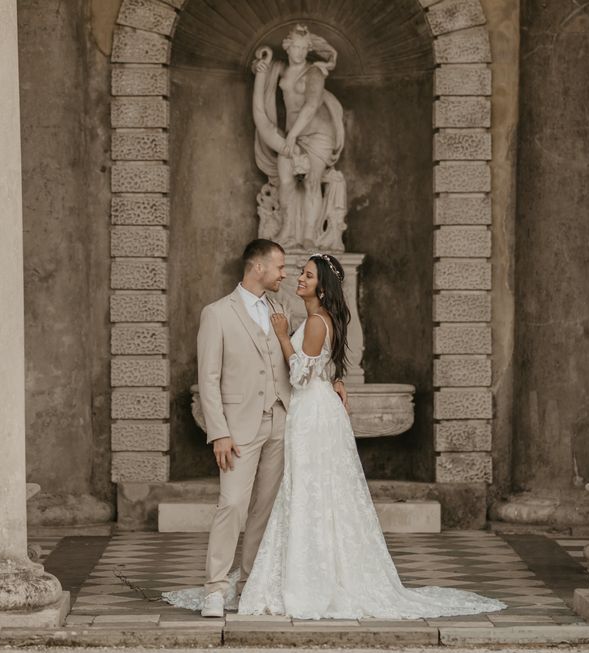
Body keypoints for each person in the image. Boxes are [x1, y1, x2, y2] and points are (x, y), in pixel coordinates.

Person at [236, 253, 507, 619]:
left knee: (308, 490)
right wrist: (335, 378)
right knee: (313, 491)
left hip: (312, 412)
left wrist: (284, 337)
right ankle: (311, 573)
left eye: (308, 275)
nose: (299, 278)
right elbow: (322, 367)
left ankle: (310, 581)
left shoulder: (316, 322)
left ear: (322, 286)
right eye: (300, 273)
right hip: (316, 408)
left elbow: (300, 374)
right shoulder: (321, 319)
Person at [170, 239, 347, 618]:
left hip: (284, 422)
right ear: (258, 268)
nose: (286, 274)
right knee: (231, 504)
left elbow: (304, 361)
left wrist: (332, 379)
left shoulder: (279, 309)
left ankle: (249, 585)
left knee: (264, 511)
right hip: (239, 428)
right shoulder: (217, 314)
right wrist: (218, 431)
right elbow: (209, 377)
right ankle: (215, 589)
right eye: (280, 267)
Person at [252, 24, 346, 250]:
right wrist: (259, 65)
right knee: (285, 179)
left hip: (318, 135)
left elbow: (312, 105)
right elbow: (263, 68)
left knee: (313, 181)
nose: (300, 52)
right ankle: (287, 231)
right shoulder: (282, 70)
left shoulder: (314, 72)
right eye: (296, 47)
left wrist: (291, 136)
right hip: (294, 136)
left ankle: (308, 236)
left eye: (305, 48)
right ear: (288, 47)